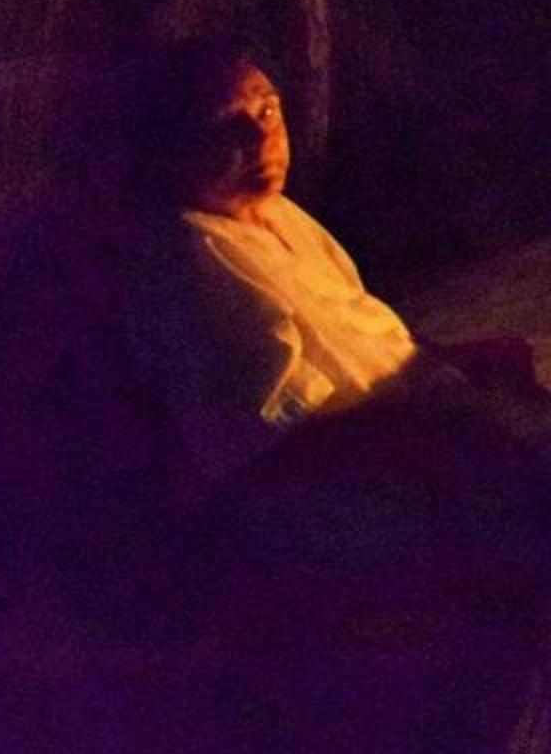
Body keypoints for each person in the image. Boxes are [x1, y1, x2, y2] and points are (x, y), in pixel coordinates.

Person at [135, 41, 426, 487]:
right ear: (176, 149)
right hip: (355, 480)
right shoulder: (192, 253)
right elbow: (285, 432)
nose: (261, 139)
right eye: (227, 125)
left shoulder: (277, 213)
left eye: (267, 112)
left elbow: (359, 322)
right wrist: (430, 429)